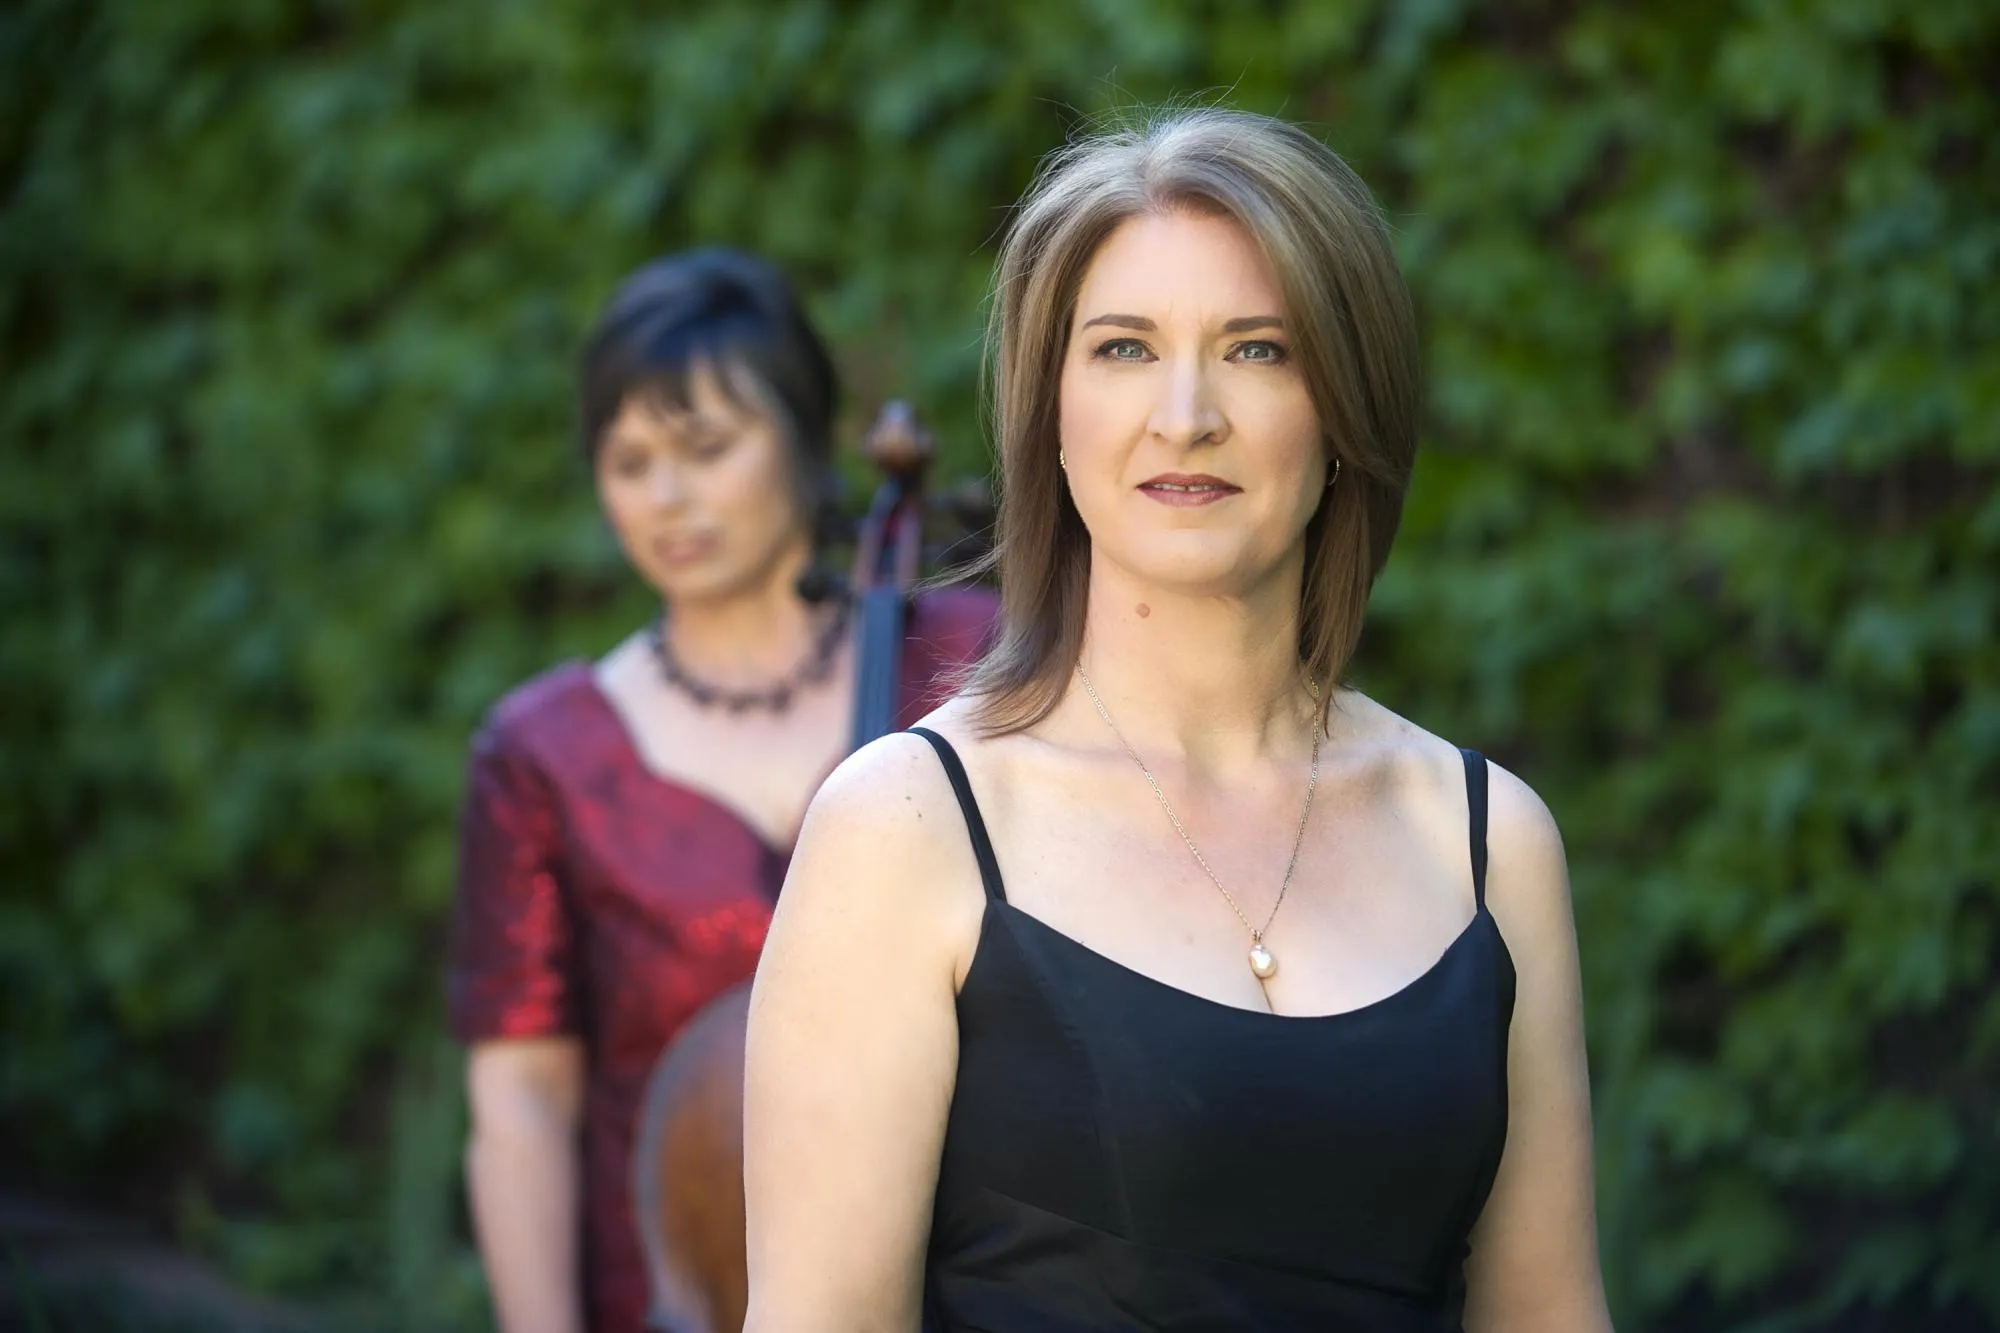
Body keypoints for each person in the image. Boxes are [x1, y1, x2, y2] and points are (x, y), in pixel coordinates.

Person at [741, 109, 1614, 1332]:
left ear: (1343, 409)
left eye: (1257, 350)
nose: (1185, 412)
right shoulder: (906, 828)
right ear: (1052, 412)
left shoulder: (1486, 841)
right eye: (1122, 350)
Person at [448, 248, 997, 1333]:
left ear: (803, 439)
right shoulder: (542, 749)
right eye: (627, 459)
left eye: (705, 448)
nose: (665, 496)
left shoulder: (972, 669)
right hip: (679, 1293)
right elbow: (521, 1096)